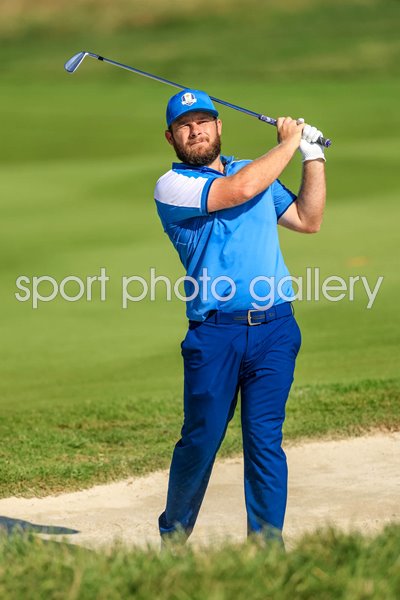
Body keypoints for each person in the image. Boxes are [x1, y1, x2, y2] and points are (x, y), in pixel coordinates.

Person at [154, 88, 326, 547]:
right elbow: (240, 190)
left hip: (275, 330)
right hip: (215, 336)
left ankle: (267, 551)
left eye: (204, 121)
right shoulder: (172, 186)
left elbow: (309, 220)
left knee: (265, 441)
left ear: (218, 127)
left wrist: (312, 158)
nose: (196, 131)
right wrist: (289, 142)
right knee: (201, 440)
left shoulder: (254, 170)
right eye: (185, 125)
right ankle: (173, 536)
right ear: (171, 136)